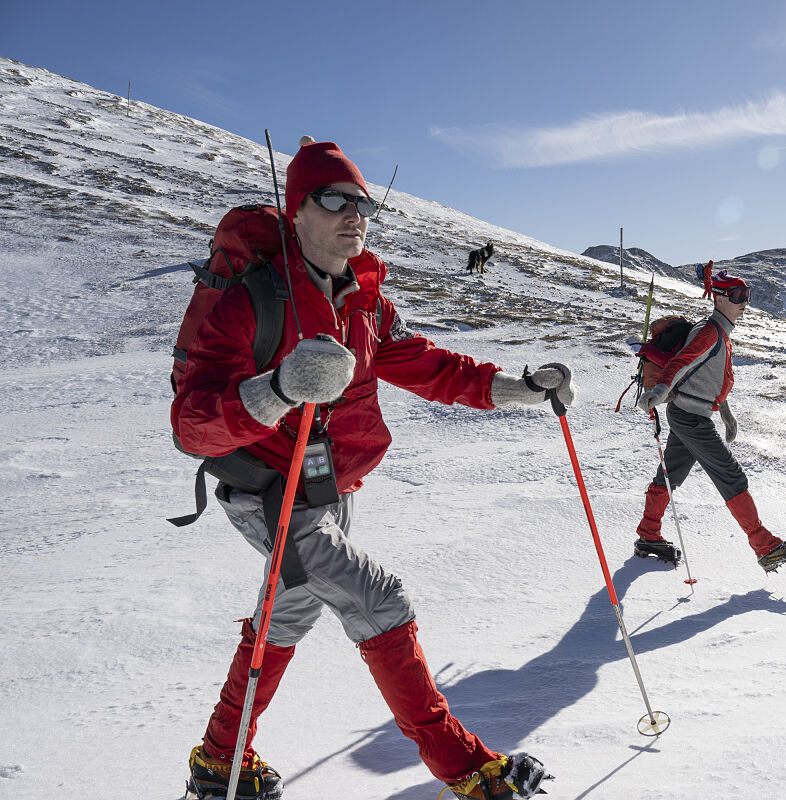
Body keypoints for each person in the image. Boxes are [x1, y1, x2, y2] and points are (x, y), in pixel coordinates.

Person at [171, 140, 565, 800]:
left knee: (286, 618)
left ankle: (219, 762)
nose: (354, 214)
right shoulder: (255, 301)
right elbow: (192, 423)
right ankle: (466, 769)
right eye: (335, 200)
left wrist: (521, 389)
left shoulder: (366, 305)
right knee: (380, 601)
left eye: (362, 203)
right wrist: (277, 390)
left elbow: (434, 369)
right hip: (270, 491)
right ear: (298, 211)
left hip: (330, 486)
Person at [634, 271, 786, 573]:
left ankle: (649, 535)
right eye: (737, 297)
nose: (744, 303)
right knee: (731, 476)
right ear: (718, 297)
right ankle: (765, 547)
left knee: (670, 475)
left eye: (747, 296)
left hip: (691, 415)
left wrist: (726, 415)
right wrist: (660, 391)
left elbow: (710, 378)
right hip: (689, 418)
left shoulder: (720, 333)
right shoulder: (710, 332)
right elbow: (682, 362)